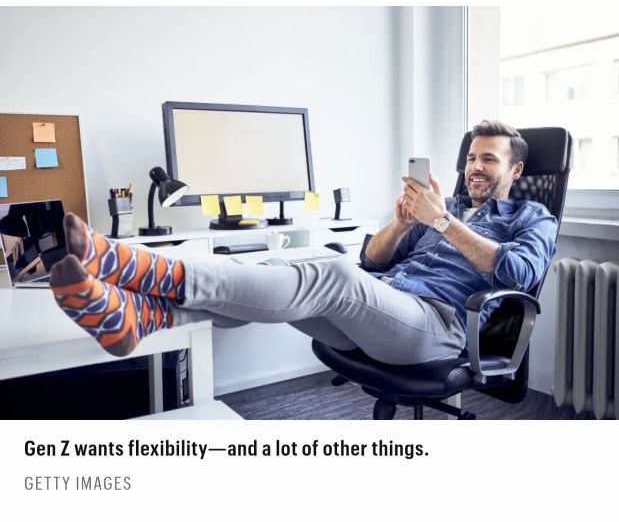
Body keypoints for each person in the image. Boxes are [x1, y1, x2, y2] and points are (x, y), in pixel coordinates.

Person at [50, 120, 557, 366]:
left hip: (442, 329)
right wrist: (404, 223)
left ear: (514, 170)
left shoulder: (533, 216)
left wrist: (443, 223)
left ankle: (134, 267)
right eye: (471, 157)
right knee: (293, 268)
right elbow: (370, 259)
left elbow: (518, 276)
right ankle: (139, 318)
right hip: (384, 309)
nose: (474, 166)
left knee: (330, 276)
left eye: (488, 159)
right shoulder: (439, 209)